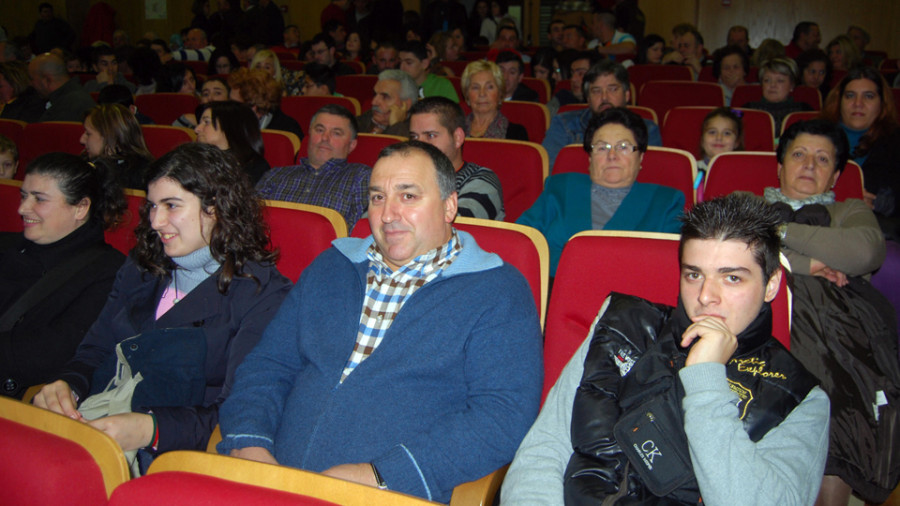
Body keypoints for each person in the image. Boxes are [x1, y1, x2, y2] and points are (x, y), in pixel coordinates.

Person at [217, 139, 542, 503]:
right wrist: (249, 441)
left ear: (450, 206)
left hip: (386, 493)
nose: (388, 214)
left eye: (408, 196)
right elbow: (267, 365)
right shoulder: (332, 266)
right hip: (271, 479)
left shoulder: (497, 290)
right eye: (377, 198)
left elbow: (502, 416)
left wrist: (383, 475)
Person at [501, 192, 830, 505]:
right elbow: (544, 449)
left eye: (732, 278)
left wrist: (706, 380)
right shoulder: (621, 324)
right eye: (694, 274)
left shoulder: (800, 399)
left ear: (771, 284)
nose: (705, 296)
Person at [32, 143, 292, 473]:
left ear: (215, 207)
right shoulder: (140, 268)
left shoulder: (263, 292)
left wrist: (149, 428)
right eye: (153, 206)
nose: (156, 221)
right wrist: (67, 385)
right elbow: (94, 351)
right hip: (92, 428)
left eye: (171, 206)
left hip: (174, 459)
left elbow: (240, 412)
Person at [761, 119, 899, 505]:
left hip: (840, 322)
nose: (809, 165)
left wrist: (780, 232)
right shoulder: (746, 201)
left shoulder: (849, 210)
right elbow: (736, 247)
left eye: (822, 159)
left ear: (836, 174)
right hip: (763, 309)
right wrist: (810, 265)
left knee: (839, 383)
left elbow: (864, 253)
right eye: (799, 155)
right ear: (780, 166)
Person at [0, 154, 125, 399]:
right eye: (24, 196)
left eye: (39, 199)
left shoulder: (108, 270)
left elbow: (51, 352)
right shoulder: (6, 244)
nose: (22, 208)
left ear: (80, 208)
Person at [519, 107, 683, 275]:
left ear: (640, 157)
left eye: (623, 147)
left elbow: (668, 268)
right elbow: (521, 241)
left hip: (628, 297)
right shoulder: (559, 187)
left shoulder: (666, 202)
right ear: (590, 158)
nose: (612, 155)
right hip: (550, 292)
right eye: (602, 147)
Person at [256, 104, 369, 229]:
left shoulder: (361, 177)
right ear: (309, 134)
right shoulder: (275, 175)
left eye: (336, 133)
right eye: (319, 130)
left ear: (352, 145)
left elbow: (359, 235)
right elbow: (248, 220)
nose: (325, 138)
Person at [542, 60, 662, 166]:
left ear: (627, 95)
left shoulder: (648, 129)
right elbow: (551, 170)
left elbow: (650, 175)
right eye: (596, 91)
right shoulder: (564, 124)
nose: (604, 97)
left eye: (612, 89)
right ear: (588, 98)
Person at [821, 67, 900, 224]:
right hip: (820, 223)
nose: (858, 104)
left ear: (882, 103)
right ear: (839, 101)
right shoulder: (815, 136)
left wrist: (882, 203)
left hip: (879, 227)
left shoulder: (896, 141)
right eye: (850, 96)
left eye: (868, 96)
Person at [409, 97, 504, 220]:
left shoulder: (482, 181)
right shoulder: (402, 177)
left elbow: (455, 225)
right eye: (414, 137)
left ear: (458, 138)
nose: (419, 145)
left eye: (431, 135)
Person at [81, 104, 154, 190]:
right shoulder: (86, 164)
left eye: (88, 134)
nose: (82, 140)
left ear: (111, 136)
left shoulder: (143, 176)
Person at [195, 101, 270, 184]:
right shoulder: (196, 158)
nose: (197, 129)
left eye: (206, 122)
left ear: (229, 126)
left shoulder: (255, 167)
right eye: (199, 123)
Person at [228, 67, 304, 141]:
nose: (229, 109)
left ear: (255, 106)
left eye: (235, 105)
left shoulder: (287, 132)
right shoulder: (226, 126)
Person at [461, 59, 528, 141]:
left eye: (490, 87)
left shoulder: (516, 134)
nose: (482, 94)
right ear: (467, 95)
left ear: (500, 93)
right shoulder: (454, 130)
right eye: (475, 87)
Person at [743, 58, 811, 135]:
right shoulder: (747, 109)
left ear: (792, 85)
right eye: (767, 80)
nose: (772, 85)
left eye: (780, 81)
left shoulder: (803, 110)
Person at [28, 53, 96, 123]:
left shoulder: (73, 105)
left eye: (32, 79)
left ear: (47, 80)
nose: (30, 84)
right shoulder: (65, 98)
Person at [357, 69, 417, 136]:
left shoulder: (415, 130)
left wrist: (396, 125)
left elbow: (400, 145)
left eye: (385, 97)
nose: (374, 102)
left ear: (406, 104)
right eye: (375, 94)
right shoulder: (367, 117)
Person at [697, 107, 743, 173]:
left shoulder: (743, 171)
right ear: (702, 140)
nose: (719, 138)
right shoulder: (691, 170)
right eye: (712, 132)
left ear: (737, 142)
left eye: (727, 133)